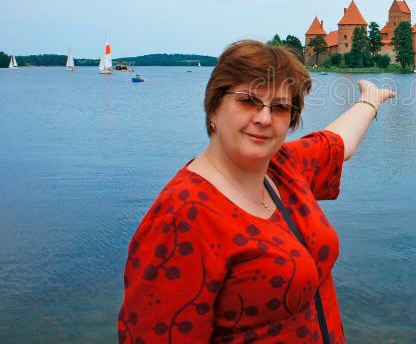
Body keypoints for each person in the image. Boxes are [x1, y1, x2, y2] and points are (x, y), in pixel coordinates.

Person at [118, 40, 395, 343]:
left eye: (279, 107)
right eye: (248, 101)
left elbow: (337, 144)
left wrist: (369, 100)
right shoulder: (183, 215)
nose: (264, 118)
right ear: (213, 109)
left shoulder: (281, 169)